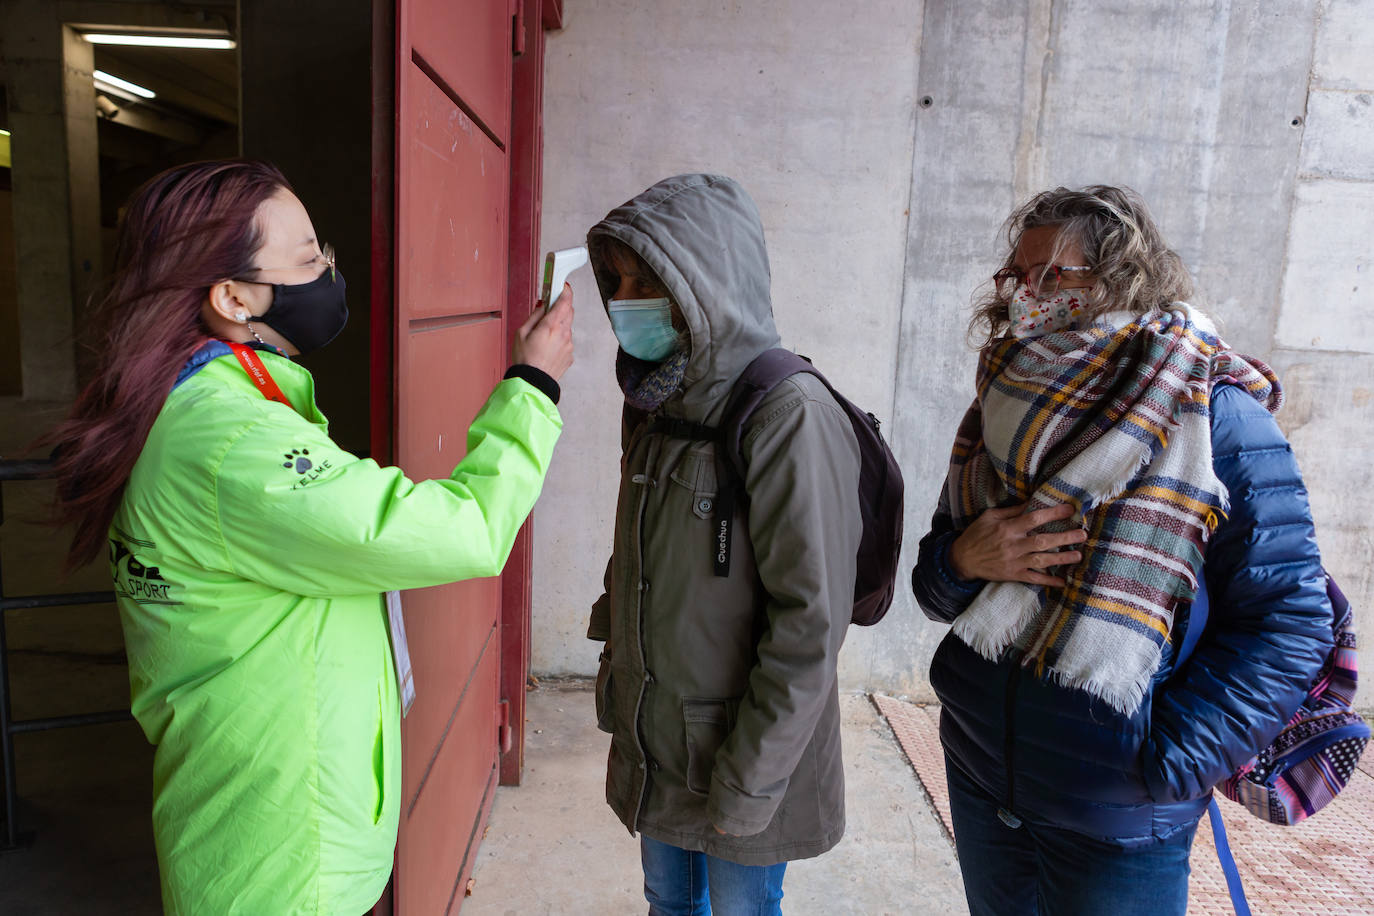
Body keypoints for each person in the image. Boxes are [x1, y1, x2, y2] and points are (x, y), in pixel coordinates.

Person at [43, 159, 574, 915]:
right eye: (306, 259)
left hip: (262, 835)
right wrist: (534, 386)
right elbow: (465, 530)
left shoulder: (204, 399)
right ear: (233, 298)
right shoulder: (234, 443)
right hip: (285, 864)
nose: (328, 271)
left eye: (323, 251)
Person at [911, 185, 1334, 915]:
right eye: (1017, 275)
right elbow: (935, 583)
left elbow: (1289, 621)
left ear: (1119, 279)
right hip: (981, 771)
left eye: (1052, 275)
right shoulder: (1001, 404)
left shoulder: (1210, 413)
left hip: (1115, 814)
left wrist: (1165, 762)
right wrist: (962, 562)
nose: (1026, 295)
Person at [585, 173, 862, 916]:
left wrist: (749, 781)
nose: (626, 298)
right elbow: (636, 563)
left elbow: (810, 624)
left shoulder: (788, 416)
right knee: (668, 905)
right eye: (619, 279)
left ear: (705, 282)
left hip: (744, 752)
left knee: (741, 911)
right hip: (663, 736)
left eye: (650, 278)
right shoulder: (654, 401)